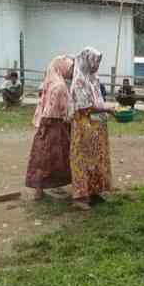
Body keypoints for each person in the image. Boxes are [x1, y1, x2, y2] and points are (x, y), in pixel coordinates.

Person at [69, 47, 116, 209]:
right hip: (84, 126)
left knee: (96, 160)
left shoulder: (94, 79)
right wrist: (108, 109)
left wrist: (107, 110)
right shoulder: (79, 81)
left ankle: (95, 192)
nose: (97, 66)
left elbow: (98, 101)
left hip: (97, 126)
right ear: (87, 61)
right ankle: (80, 197)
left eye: (98, 63)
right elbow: (84, 107)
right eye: (95, 62)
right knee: (83, 160)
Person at [25, 55, 75, 200]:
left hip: (46, 124)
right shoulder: (59, 85)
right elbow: (55, 109)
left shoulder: (50, 82)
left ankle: (41, 189)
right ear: (62, 67)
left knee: (42, 158)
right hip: (54, 124)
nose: (72, 71)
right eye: (70, 68)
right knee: (53, 158)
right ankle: (42, 189)